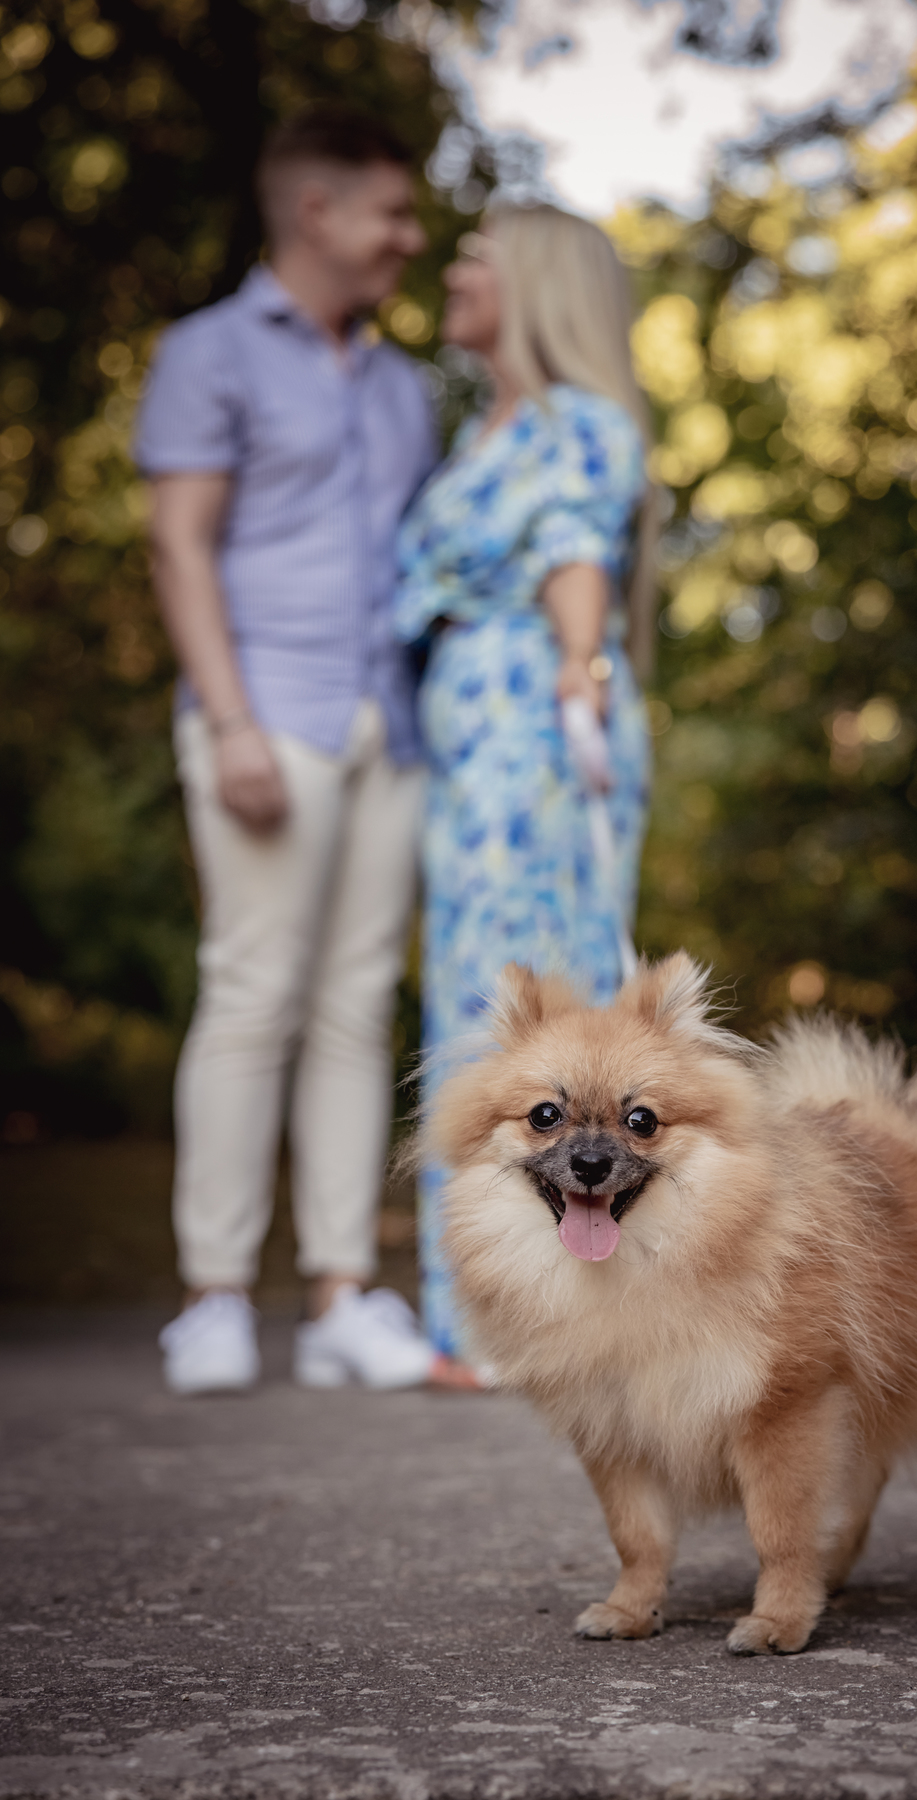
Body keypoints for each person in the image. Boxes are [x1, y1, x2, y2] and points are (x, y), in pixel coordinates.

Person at [137, 108, 454, 1396]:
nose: (410, 237)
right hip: (267, 704)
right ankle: (213, 1297)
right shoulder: (207, 353)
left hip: (390, 721)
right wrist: (228, 722)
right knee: (254, 988)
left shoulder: (403, 382)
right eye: (391, 212)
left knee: (355, 1001)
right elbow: (179, 544)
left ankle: (338, 1293)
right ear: (317, 212)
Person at [393, 204, 656, 1373]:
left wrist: (578, 672)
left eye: (476, 259)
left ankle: (553, 1320)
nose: (453, 271)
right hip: (475, 755)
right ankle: (487, 1312)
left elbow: (572, 550)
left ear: (537, 287)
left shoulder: (577, 424)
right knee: (484, 1012)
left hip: (535, 745)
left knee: (542, 1017)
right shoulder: (484, 432)